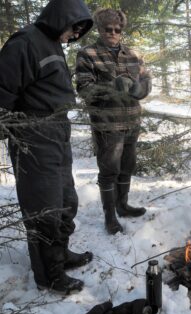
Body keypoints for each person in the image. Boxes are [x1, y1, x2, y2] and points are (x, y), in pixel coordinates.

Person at [0, 0, 93, 294]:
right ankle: (48, 274)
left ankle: (60, 255)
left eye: (79, 31)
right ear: (59, 18)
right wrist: (14, 132)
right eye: (72, 28)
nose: (74, 35)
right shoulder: (25, 42)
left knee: (66, 199)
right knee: (44, 207)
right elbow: (3, 90)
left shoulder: (51, 44)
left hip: (56, 131)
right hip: (33, 134)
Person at [76, 9, 152, 235]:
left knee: (127, 167)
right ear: (99, 28)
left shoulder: (133, 55)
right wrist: (111, 87)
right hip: (107, 124)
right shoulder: (87, 53)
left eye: (117, 29)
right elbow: (84, 88)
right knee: (109, 170)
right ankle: (110, 216)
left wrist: (140, 89)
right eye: (108, 28)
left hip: (131, 121)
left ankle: (123, 205)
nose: (113, 32)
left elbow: (146, 79)